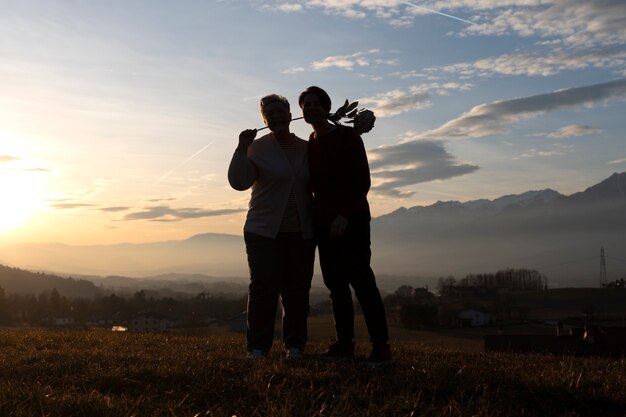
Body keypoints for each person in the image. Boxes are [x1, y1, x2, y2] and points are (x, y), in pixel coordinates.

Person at [299, 86, 392, 366]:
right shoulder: (311, 143)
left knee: (363, 282)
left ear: (328, 108)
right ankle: (344, 345)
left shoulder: (348, 136)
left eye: (317, 104)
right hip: (324, 224)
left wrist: (344, 215)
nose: (311, 108)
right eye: (307, 105)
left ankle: (381, 349)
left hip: (352, 221)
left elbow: (361, 181)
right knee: (335, 286)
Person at [228, 94, 315, 360]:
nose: (276, 117)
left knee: (297, 290)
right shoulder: (257, 148)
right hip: (263, 231)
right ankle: (257, 348)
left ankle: (295, 346)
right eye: (270, 115)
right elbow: (239, 182)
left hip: (301, 231)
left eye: (281, 112)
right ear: (265, 121)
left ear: (290, 116)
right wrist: (242, 148)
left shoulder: (306, 148)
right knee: (263, 289)